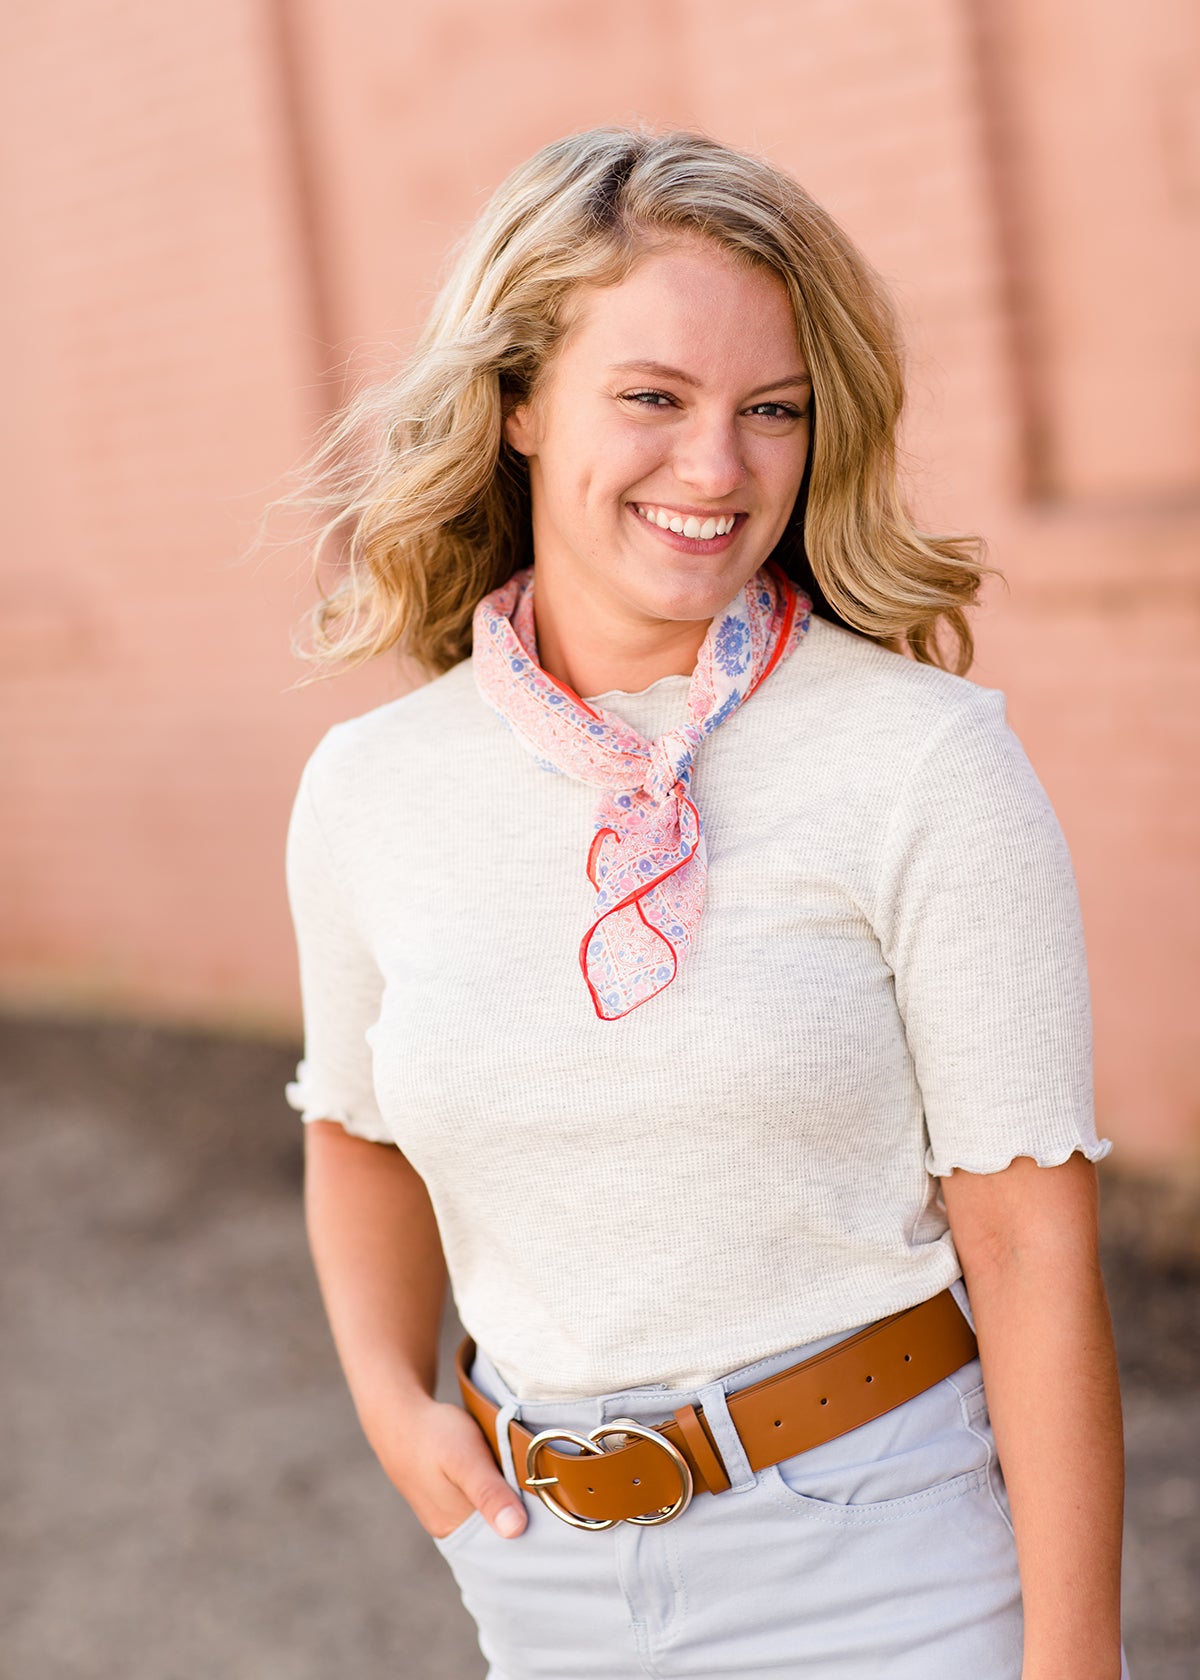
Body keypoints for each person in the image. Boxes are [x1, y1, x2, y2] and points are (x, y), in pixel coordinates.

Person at [276, 125, 1130, 1678]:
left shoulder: (923, 764)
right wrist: (395, 1407)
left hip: (889, 1559)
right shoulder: (371, 787)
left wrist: (1076, 1668)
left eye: (773, 411)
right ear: (521, 403)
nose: (717, 469)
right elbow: (354, 1127)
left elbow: (1031, 1256)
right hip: (544, 1579)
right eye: (653, 398)